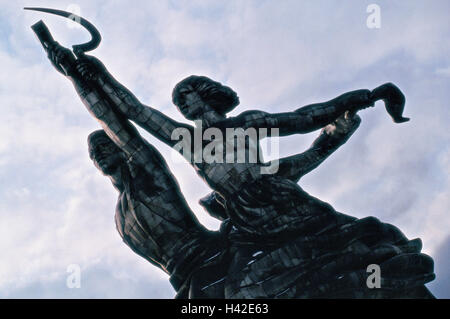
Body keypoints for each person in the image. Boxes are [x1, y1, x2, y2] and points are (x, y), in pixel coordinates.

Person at [46, 44, 434, 298]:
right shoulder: (188, 141)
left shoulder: (248, 123)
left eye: (188, 98)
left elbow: (306, 117)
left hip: (284, 204)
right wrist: (90, 75)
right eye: (181, 104)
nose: (185, 107)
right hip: (246, 222)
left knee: (361, 243)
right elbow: (133, 111)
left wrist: (368, 97)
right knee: (239, 289)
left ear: (209, 95)